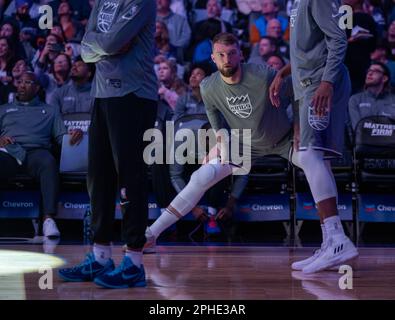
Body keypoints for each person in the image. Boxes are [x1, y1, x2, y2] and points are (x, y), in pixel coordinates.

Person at [144, 31, 293, 258]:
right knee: (201, 176)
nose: (226, 59)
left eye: (232, 53)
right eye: (221, 54)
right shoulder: (209, 86)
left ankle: (333, 238)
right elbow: (218, 127)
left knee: (314, 162)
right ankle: (151, 235)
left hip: (282, 136)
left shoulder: (262, 75)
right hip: (243, 140)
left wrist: (301, 127)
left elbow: (297, 92)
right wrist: (219, 148)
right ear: (213, 58)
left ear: (241, 55)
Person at [58, 0, 158, 289]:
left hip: (134, 94)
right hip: (102, 96)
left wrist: (99, 45)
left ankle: (134, 262)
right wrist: (101, 46)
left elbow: (110, 40)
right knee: (98, 178)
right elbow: (85, 48)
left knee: (130, 177)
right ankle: (100, 256)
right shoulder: (102, 1)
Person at [269, 0, 358, 273]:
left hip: (320, 84)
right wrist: (283, 73)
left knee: (308, 155)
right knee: (314, 158)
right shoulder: (294, 2)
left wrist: (327, 83)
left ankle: (337, 239)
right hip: (307, 83)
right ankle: (331, 241)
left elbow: (338, 40)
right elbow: (307, 48)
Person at [0, 71, 79, 238]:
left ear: (37, 88)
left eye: (27, 82)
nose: (22, 85)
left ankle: (48, 220)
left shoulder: (50, 111)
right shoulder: (4, 109)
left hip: (36, 153)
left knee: (49, 162)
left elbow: (61, 137)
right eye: (20, 81)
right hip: (9, 152)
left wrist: (73, 136)